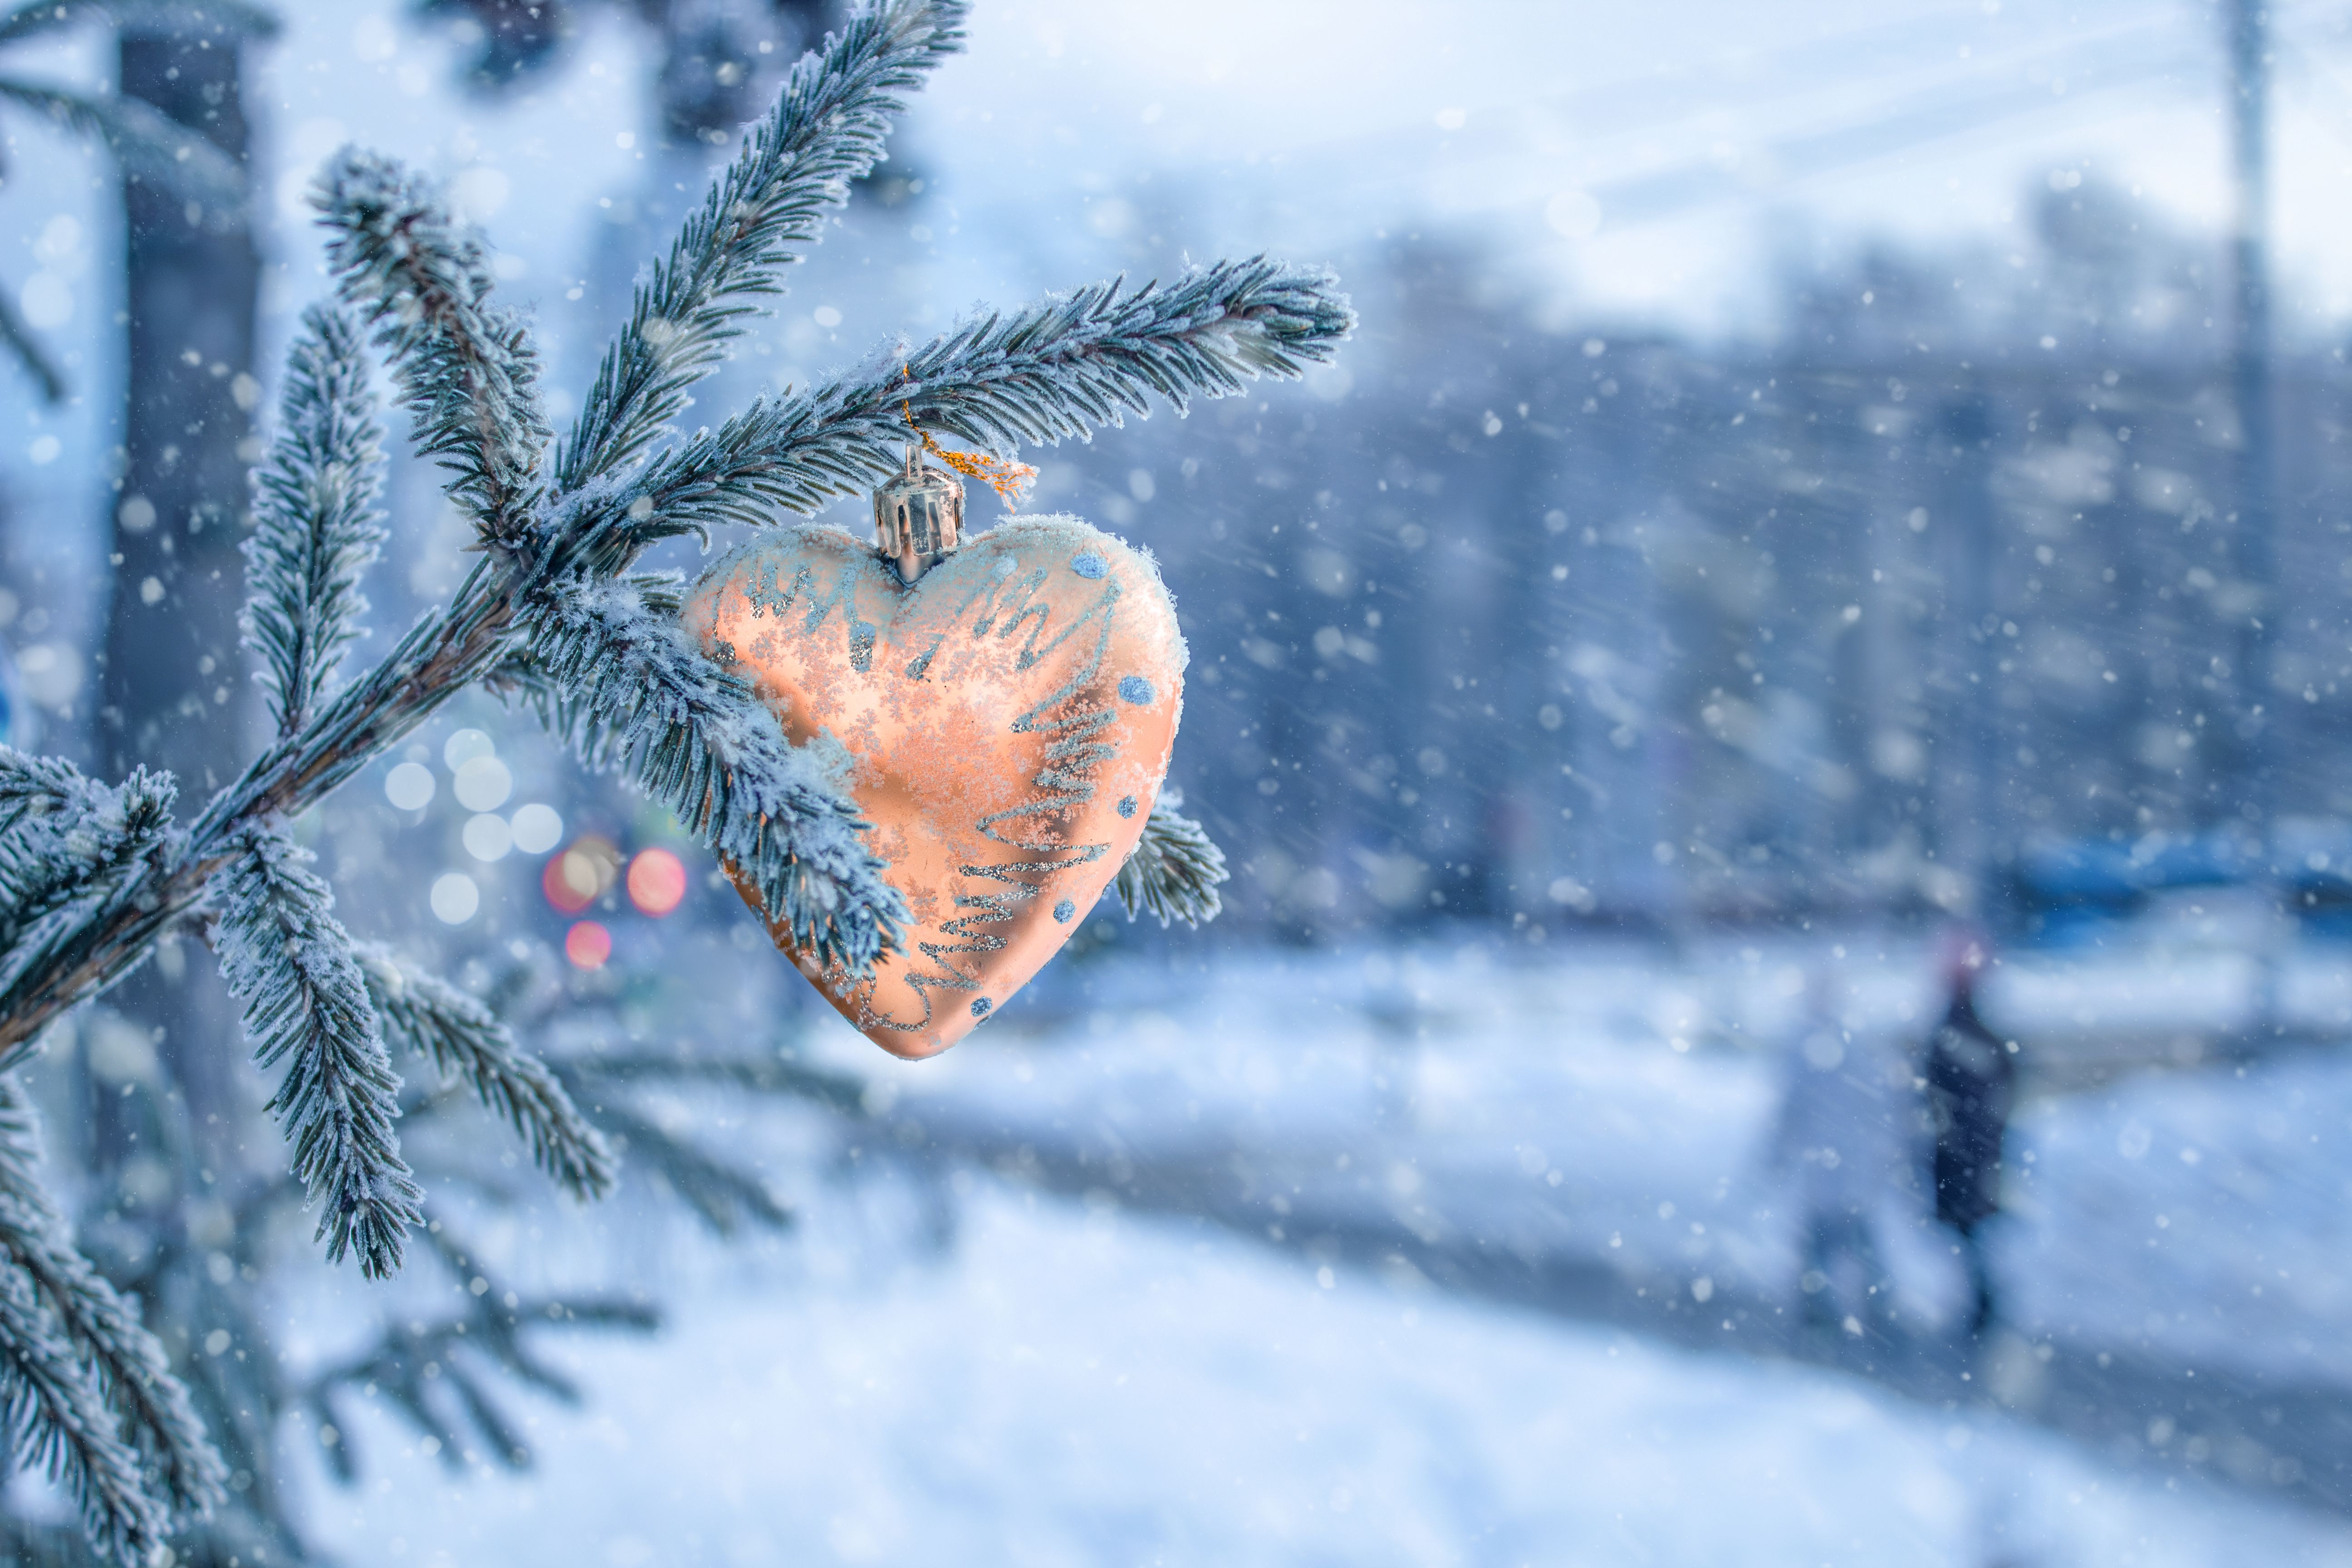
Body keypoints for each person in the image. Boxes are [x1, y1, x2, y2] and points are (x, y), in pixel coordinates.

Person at [1769, 967, 1907, 1334]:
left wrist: (1780, 1153)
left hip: (1833, 1163)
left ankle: (1827, 1306)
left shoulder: (1819, 1044)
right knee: (1845, 1237)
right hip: (1840, 1165)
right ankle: (1868, 1306)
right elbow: (1880, 1104)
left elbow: (1792, 1109)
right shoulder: (1848, 1042)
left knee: (1832, 1237)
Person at [1924, 929, 2016, 1336]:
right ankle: (1982, 1302)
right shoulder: (1976, 1029)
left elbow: (1943, 1087)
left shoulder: (1955, 1029)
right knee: (1970, 1230)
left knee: (1967, 1231)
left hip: (1960, 1149)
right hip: (1973, 1147)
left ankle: (1982, 1304)